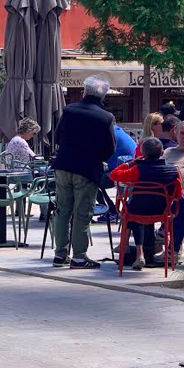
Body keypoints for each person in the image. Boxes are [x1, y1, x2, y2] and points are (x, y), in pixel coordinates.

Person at [50, 76, 116, 269]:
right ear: (102, 96)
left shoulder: (69, 110)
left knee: (62, 210)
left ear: (84, 92)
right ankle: (79, 256)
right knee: (82, 212)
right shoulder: (106, 117)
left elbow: (57, 136)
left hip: (63, 165)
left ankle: (59, 255)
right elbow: (110, 148)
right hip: (87, 168)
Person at [109, 137, 182, 271]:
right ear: (162, 152)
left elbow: (114, 174)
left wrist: (131, 163)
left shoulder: (137, 169)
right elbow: (178, 195)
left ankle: (139, 253)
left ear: (143, 154)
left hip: (138, 211)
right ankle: (150, 255)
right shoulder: (173, 171)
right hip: (162, 212)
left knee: (133, 209)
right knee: (136, 208)